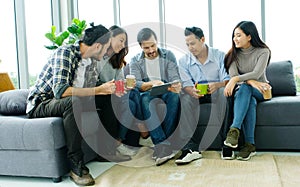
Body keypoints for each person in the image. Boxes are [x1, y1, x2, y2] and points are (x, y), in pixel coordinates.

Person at [26, 24, 113, 186]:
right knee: (74, 101)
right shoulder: (66, 53)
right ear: (98, 45)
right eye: (107, 47)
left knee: (108, 96)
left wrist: (106, 89)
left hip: (63, 101)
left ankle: (105, 150)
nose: (108, 51)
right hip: (42, 103)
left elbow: (94, 87)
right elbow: (61, 91)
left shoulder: (89, 61)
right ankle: (76, 165)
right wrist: (98, 89)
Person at [175, 26, 230, 165]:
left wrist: (216, 85)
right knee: (184, 99)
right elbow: (186, 84)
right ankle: (190, 149)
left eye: (192, 43)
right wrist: (190, 91)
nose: (190, 47)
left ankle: (226, 144)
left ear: (203, 40)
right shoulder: (183, 61)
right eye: (187, 44)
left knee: (224, 95)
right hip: (196, 95)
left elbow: (228, 80)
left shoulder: (220, 56)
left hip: (216, 92)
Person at [130, 27, 182, 166]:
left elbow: (174, 77)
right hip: (148, 92)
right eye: (147, 47)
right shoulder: (135, 61)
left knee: (174, 97)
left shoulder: (168, 55)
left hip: (167, 90)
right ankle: (163, 145)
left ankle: (162, 146)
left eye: (153, 45)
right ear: (141, 46)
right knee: (144, 99)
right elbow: (136, 83)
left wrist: (175, 84)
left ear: (157, 42)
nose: (151, 50)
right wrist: (152, 83)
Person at [223, 21, 271, 161]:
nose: (235, 39)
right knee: (248, 98)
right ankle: (250, 145)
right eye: (234, 36)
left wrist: (238, 79)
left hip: (261, 90)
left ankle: (234, 130)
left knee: (245, 87)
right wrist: (248, 81)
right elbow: (234, 77)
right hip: (245, 92)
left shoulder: (263, 51)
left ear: (249, 36)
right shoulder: (232, 55)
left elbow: (256, 73)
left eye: (238, 35)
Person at [95, 25, 140, 157]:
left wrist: (125, 85)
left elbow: (119, 81)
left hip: (114, 93)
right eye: (120, 40)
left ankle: (119, 141)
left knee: (134, 96)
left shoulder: (116, 60)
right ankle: (121, 141)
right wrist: (114, 86)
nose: (123, 45)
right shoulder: (98, 57)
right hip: (103, 94)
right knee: (130, 100)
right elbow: (94, 82)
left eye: (124, 42)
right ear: (110, 38)